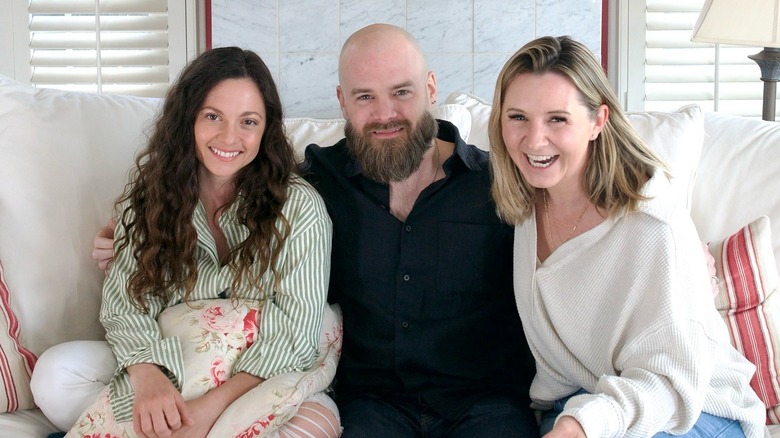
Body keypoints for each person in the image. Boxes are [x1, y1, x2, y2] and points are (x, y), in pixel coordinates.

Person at [94, 24, 539, 436]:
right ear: (342, 101)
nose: (385, 114)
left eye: (401, 92)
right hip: (373, 404)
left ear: (430, 89)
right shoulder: (317, 184)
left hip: (485, 403)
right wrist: (139, 232)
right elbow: (243, 192)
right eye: (365, 97)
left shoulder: (498, 184)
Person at [33, 46, 340, 438]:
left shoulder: (300, 207)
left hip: (259, 375)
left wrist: (208, 409)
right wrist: (148, 377)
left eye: (248, 121)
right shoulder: (148, 198)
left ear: (266, 130)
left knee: (314, 425)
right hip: (172, 360)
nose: (230, 137)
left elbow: (297, 334)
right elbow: (125, 304)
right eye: (213, 116)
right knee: (56, 375)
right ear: (188, 119)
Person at [488, 35, 766, 437]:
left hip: (691, 408)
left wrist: (582, 426)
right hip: (586, 399)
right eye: (518, 117)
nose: (534, 140)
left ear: (597, 122)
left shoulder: (654, 227)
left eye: (557, 119)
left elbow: (672, 383)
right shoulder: (521, 203)